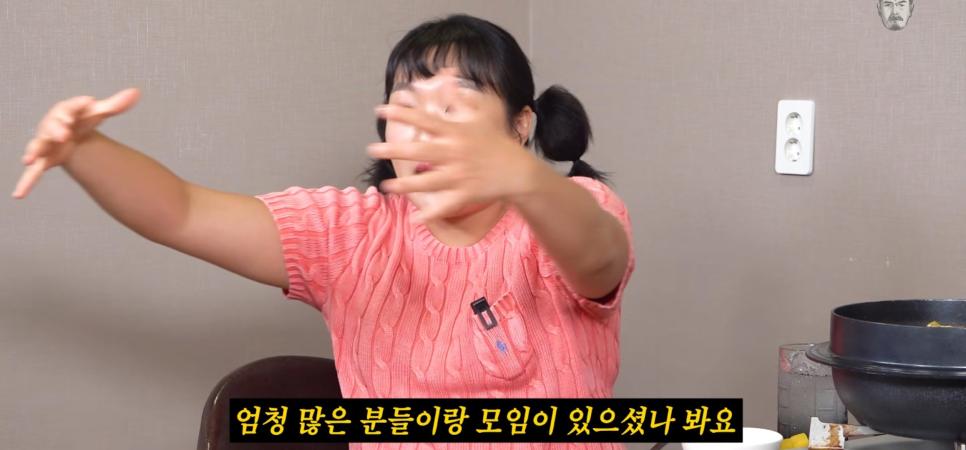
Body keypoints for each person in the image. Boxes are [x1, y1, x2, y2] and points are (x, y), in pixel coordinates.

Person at [13, 13, 634, 447]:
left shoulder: (572, 207)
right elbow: (181, 211)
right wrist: (84, 151)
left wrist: (524, 181)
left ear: (520, 125)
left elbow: (600, 258)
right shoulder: (349, 234)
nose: (428, 126)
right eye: (408, 106)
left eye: (456, 104)